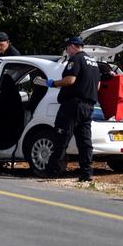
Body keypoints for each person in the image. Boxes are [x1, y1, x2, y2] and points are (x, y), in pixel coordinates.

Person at [43, 36, 100, 181]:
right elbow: (98, 85)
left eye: (67, 47)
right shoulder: (93, 62)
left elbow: (70, 80)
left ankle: (52, 171)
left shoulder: (76, 59)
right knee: (85, 142)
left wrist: (53, 83)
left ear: (73, 46)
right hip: (88, 106)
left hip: (72, 106)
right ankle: (86, 173)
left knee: (61, 137)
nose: (67, 51)